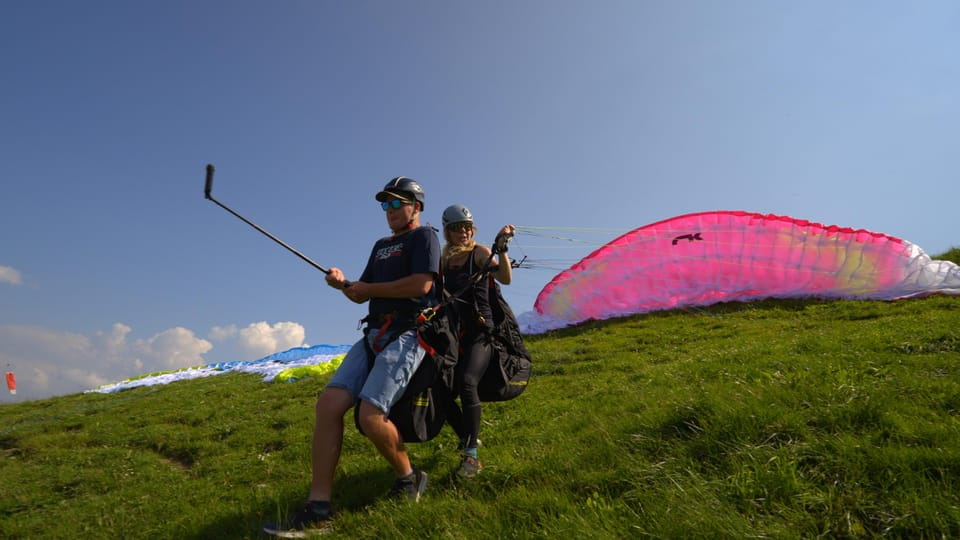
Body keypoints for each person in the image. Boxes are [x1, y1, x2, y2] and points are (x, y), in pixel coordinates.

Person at [266, 177, 440, 535]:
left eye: (396, 203)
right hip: (372, 333)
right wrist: (342, 284)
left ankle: (408, 479)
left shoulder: (424, 238)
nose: (389, 211)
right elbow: (360, 295)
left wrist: (367, 288)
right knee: (328, 404)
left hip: (409, 333)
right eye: (385, 205)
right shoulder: (380, 246)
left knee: (370, 415)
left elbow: (421, 285)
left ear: (416, 207)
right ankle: (318, 507)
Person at [439, 204, 515, 479]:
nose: (463, 232)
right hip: (452, 334)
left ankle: (471, 457)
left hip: (481, 332)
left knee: (467, 382)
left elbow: (504, 278)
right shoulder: (443, 261)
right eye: (457, 228)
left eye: (467, 227)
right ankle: (466, 437)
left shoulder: (480, 252)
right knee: (440, 389)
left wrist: (502, 249)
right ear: (447, 232)